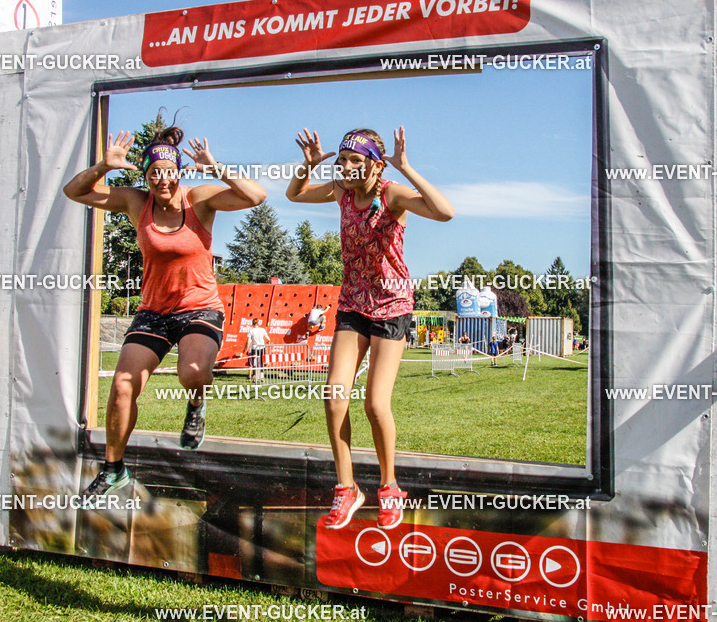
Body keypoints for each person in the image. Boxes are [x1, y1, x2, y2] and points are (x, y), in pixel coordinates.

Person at [64, 125, 266, 497]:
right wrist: (104, 166)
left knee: (193, 373)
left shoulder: (198, 200)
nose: (162, 180)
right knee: (122, 386)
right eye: (154, 173)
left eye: (169, 172)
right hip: (154, 312)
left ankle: (196, 405)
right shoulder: (135, 202)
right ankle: (114, 469)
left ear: (179, 173)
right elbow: (73, 191)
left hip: (199, 308)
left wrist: (216, 167)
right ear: (146, 176)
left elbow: (256, 195)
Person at [287, 126, 454, 530]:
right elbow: (295, 194)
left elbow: (444, 212)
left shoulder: (392, 194)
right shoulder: (341, 192)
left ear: (376, 166)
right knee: (334, 396)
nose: (345, 167)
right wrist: (309, 166)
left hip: (392, 306)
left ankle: (389, 486)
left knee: (375, 404)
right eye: (342, 159)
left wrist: (406, 168)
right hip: (352, 304)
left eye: (355, 161)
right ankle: (346, 488)